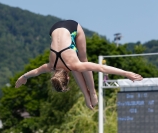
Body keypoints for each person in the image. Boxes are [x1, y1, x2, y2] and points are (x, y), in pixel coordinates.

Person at [15, 20, 143, 110]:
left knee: (82, 59)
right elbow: (35, 71)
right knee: (75, 65)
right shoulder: (50, 66)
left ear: (68, 79)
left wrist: (127, 74)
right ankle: (88, 96)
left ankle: (91, 93)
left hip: (73, 26)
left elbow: (102, 68)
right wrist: (23, 78)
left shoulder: (74, 65)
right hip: (54, 28)